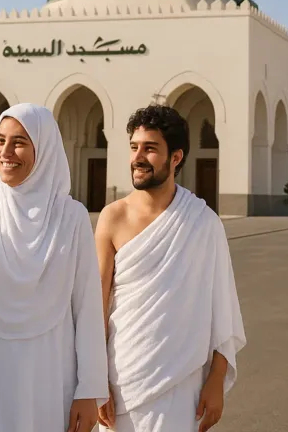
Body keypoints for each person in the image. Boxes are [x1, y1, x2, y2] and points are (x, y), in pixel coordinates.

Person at [0, 103, 109, 432]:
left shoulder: (70, 217)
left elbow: (88, 308)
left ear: (44, 148)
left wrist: (90, 390)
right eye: (0, 140)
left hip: (50, 374)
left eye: (19, 142)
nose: (6, 152)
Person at [95, 104, 246, 432]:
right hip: (120, 382)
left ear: (175, 158)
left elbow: (224, 310)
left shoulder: (203, 222)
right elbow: (95, 307)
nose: (138, 157)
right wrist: (95, 378)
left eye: (150, 149)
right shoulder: (112, 218)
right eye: (134, 147)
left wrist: (216, 381)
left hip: (180, 385)